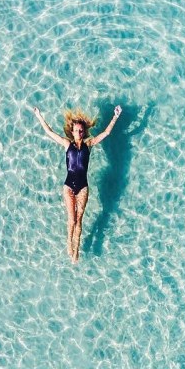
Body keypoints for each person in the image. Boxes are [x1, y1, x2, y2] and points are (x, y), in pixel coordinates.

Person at [33, 104, 122, 262]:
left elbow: (106, 133)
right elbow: (49, 132)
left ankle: (76, 250)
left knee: (79, 219)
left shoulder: (89, 144)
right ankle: (69, 242)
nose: (79, 133)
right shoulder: (67, 144)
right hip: (68, 186)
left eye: (81, 130)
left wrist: (115, 116)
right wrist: (39, 116)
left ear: (84, 131)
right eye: (76, 131)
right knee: (72, 219)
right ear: (72, 132)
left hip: (83, 188)